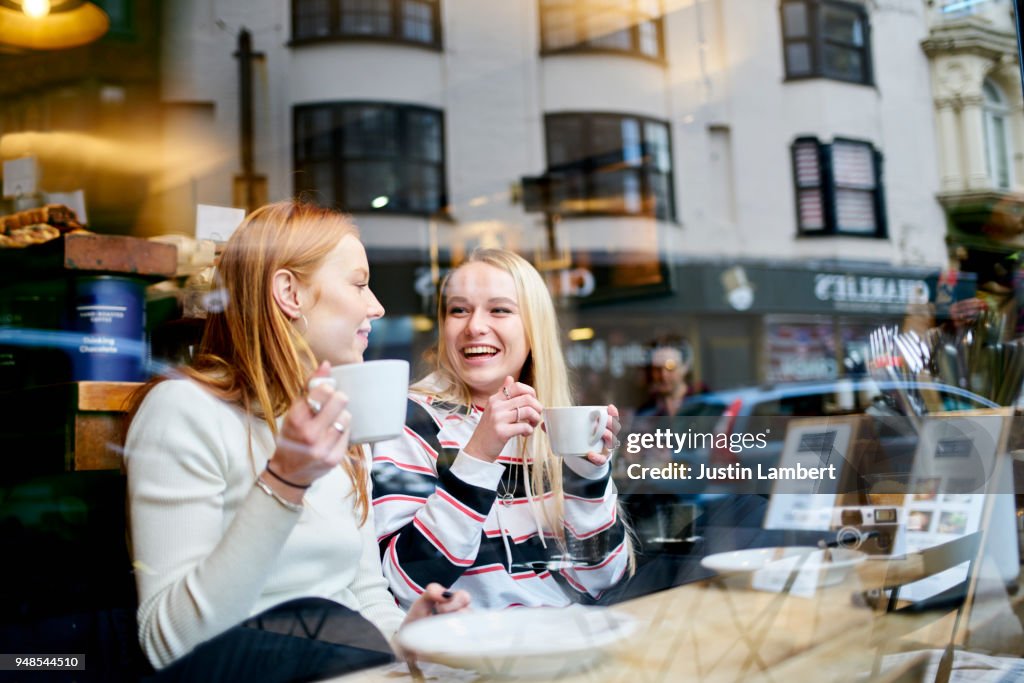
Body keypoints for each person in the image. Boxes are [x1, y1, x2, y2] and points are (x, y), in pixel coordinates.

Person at [124, 200, 468, 682]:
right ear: (290, 292)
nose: (377, 306)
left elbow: (365, 595)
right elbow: (171, 645)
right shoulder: (183, 410)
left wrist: (408, 642)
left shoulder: (341, 420)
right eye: (359, 282)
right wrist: (284, 482)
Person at [371, 249, 633, 610]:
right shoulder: (410, 421)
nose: (474, 326)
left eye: (499, 309)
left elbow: (601, 578)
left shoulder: (552, 425)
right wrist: (478, 455)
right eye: (458, 310)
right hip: (464, 655)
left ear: (532, 328)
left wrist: (588, 475)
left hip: (561, 641)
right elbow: (404, 585)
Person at [636, 336, 706, 418]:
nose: (663, 375)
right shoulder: (646, 411)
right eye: (657, 368)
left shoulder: (705, 406)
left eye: (670, 367)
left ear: (685, 367)